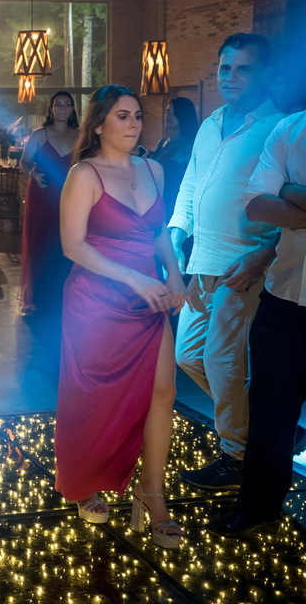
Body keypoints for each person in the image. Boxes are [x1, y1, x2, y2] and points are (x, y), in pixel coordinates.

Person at [55, 85, 186, 548]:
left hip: (150, 298)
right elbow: (73, 246)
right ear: (98, 124)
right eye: (123, 116)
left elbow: (157, 231)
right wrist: (133, 279)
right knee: (94, 397)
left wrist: (175, 273)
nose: (134, 124)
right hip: (97, 302)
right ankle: (86, 482)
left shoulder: (153, 169)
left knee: (164, 393)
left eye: (137, 116)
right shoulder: (84, 174)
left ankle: (152, 495)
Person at [168, 34, 284, 492]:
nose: (231, 77)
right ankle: (258, 430)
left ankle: (237, 456)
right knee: (187, 355)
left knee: (221, 362)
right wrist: (177, 234)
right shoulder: (210, 122)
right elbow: (190, 185)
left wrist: (264, 253)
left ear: (265, 74)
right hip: (202, 261)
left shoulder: (277, 126)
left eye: (243, 69)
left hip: (243, 265)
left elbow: (287, 205)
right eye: (225, 68)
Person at [208, 108, 306, 536]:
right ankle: (258, 508)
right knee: (269, 412)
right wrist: (280, 194)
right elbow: (257, 205)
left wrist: (289, 190)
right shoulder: (290, 128)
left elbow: (274, 198)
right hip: (284, 294)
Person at [18, 92, 78, 316]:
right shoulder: (39, 135)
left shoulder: (79, 135)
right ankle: (41, 296)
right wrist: (34, 176)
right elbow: (23, 163)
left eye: (67, 104)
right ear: (51, 109)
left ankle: (63, 295)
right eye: (58, 104)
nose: (62, 108)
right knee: (42, 242)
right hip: (42, 194)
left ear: (72, 109)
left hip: (69, 195)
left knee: (65, 242)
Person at [152, 97, 200, 221]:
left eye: (173, 111)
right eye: (167, 111)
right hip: (155, 198)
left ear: (182, 114)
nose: (168, 114)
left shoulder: (189, 146)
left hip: (174, 201)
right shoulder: (161, 143)